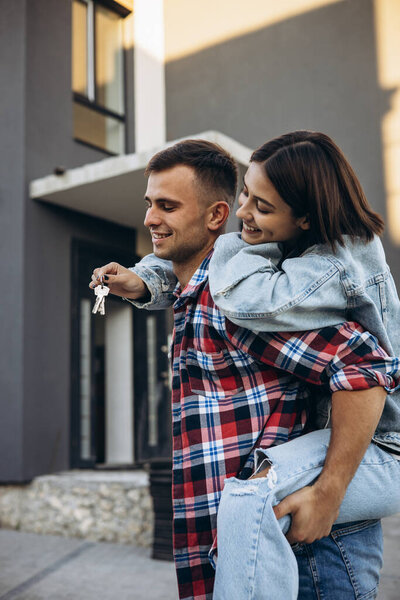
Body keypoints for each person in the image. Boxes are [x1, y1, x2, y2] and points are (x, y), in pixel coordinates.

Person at [89, 139, 400, 600]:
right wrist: (141, 282)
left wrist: (329, 493)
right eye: (150, 204)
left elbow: (365, 364)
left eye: (168, 206)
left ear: (213, 217)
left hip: (308, 554)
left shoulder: (249, 301)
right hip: (262, 549)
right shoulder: (200, 295)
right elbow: (179, 269)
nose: (150, 218)